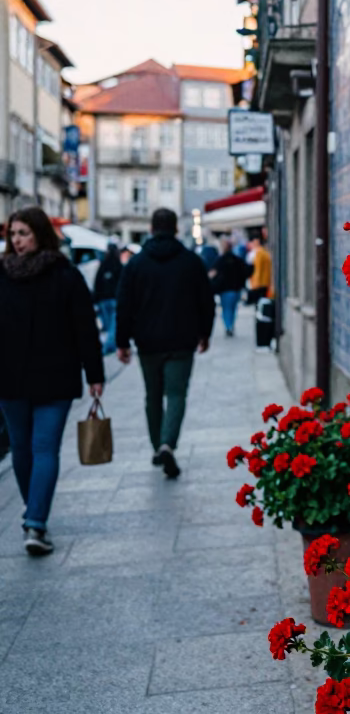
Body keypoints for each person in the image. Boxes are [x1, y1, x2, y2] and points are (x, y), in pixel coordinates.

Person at [0, 206, 104, 556]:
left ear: (40, 234)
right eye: (13, 234)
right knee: (22, 449)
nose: (16, 241)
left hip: (51, 378)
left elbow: (84, 328)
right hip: (12, 378)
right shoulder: (3, 273)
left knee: (42, 448)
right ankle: (36, 516)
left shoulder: (65, 275)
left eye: (23, 233)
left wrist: (95, 375)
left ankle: (35, 521)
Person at [116, 208, 214, 480]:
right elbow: (206, 301)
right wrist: (205, 333)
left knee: (153, 395)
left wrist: (122, 342)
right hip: (182, 340)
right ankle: (167, 443)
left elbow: (123, 305)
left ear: (150, 229)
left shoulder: (135, 265)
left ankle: (157, 445)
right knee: (177, 394)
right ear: (175, 229)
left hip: (147, 342)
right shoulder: (191, 262)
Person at [211, 237, 248, 336]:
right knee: (233, 309)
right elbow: (245, 272)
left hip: (225, 289)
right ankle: (230, 325)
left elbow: (213, 273)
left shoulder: (220, 260)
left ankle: (228, 326)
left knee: (226, 309)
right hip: (235, 289)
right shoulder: (237, 259)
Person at [92, 240, 122, 355]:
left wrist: (96, 299)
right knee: (112, 325)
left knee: (109, 324)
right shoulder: (118, 266)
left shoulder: (103, 265)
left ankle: (109, 345)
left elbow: (97, 283)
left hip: (104, 299)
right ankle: (109, 346)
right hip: (114, 299)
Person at [247, 230, 272, 305]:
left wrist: (253, 285)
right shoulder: (264, 252)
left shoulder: (259, 253)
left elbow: (258, 270)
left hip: (259, 284)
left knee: (259, 305)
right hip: (264, 283)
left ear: (256, 241)